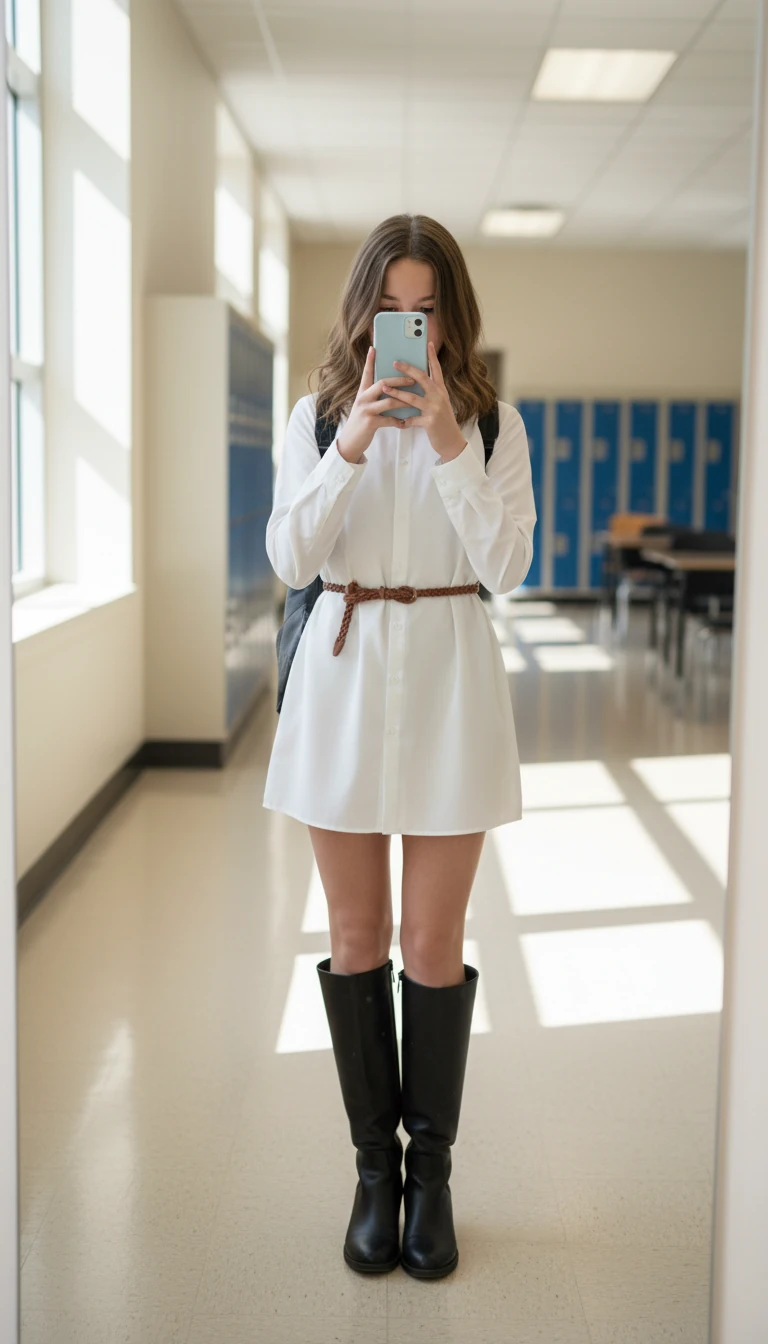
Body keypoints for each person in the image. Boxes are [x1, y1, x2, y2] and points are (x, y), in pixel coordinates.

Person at [263, 213, 536, 1280]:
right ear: (365, 315)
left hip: (451, 680)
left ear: (450, 316)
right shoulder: (317, 415)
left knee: (431, 942)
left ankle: (435, 1178)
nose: (412, 332)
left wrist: (446, 447)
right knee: (356, 931)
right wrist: (356, 443)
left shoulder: (493, 426)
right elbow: (292, 553)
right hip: (343, 673)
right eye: (394, 313)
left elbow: (507, 566)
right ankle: (374, 1175)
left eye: (428, 314)